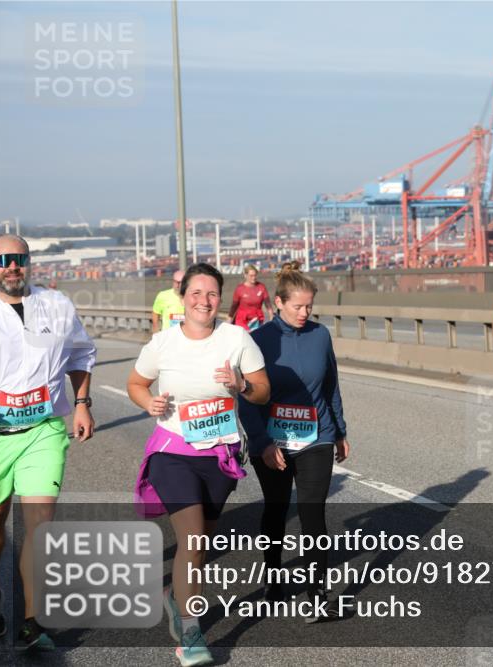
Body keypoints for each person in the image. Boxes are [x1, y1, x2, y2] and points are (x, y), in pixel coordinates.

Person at [127, 262, 269, 666]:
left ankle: (176, 597)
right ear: (183, 297)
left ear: (220, 298)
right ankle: (191, 632)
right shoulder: (163, 343)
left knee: (201, 544)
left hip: (219, 455)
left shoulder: (236, 337)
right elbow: (136, 383)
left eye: (211, 294)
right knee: (191, 539)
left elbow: (262, 392)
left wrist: (240, 385)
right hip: (172, 452)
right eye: (196, 293)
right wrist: (147, 402)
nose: (204, 301)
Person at [0, 234, 96, 651]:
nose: (12, 266)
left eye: (19, 258)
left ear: (29, 262)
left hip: (44, 430)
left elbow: (81, 356)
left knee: (39, 525)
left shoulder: (57, 304)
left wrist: (83, 403)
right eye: (2, 259)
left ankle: (34, 623)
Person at [239, 261, 350, 620]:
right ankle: (273, 574)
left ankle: (317, 591)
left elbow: (331, 385)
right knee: (275, 508)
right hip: (272, 440)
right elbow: (247, 397)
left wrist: (340, 431)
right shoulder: (257, 341)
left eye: (309, 307)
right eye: (297, 306)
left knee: (313, 512)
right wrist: (261, 443)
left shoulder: (320, 336)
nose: (304, 313)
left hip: (316, 436)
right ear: (278, 303)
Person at [229, 264, 272, 331]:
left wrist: (271, 317)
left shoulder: (261, 287)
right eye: (251, 276)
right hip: (242, 320)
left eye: (255, 275)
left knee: (256, 339)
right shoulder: (239, 289)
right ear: (245, 275)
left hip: (257, 319)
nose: (254, 278)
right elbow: (234, 306)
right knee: (245, 339)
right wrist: (230, 319)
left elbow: (268, 304)